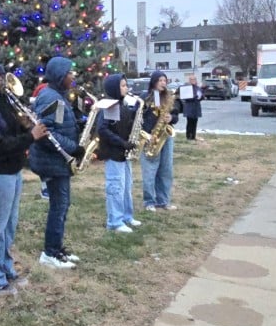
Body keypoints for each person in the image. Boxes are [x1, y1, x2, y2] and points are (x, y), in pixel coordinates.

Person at [0, 60, 47, 295]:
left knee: (8, 226)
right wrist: (31, 136)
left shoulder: (1, 103)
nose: (4, 83)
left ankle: (5, 269)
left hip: (11, 171)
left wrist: (25, 127)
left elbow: (10, 133)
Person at [29, 56, 86, 269]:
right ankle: (50, 253)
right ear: (60, 75)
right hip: (52, 161)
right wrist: (73, 148)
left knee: (62, 205)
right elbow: (46, 132)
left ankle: (57, 247)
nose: (73, 77)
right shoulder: (50, 97)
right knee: (58, 206)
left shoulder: (58, 97)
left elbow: (58, 123)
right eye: (70, 73)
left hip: (58, 160)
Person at [96, 74, 143, 233]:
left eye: (126, 85)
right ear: (114, 88)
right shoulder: (109, 105)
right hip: (114, 152)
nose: (127, 88)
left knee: (126, 186)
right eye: (123, 86)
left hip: (124, 153)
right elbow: (103, 129)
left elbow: (125, 125)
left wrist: (136, 114)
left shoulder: (122, 105)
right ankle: (114, 221)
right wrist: (122, 142)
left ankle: (126, 216)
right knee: (115, 186)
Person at [140, 70, 180, 211]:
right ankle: (149, 201)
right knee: (150, 171)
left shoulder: (168, 97)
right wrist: (147, 133)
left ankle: (163, 200)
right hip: (150, 137)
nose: (163, 83)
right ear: (154, 82)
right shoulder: (145, 97)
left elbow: (176, 115)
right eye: (160, 80)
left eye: (165, 80)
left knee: (166, 169)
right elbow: (139, 118)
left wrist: (171, 118)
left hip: (165, 136)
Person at [180, 74, 203, 141]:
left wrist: (201, 96)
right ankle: (189, 136)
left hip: (196, 106)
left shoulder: (198, 87)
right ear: (189, 80)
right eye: (191, 79)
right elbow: (185, 97)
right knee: (189, 122)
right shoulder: (186, 87)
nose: (193, 80)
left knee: (195, 122)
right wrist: (195, 96)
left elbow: (201, 95)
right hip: (189, 107)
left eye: (194, 79)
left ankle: (193, 136)